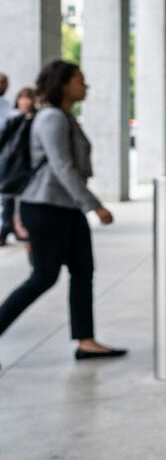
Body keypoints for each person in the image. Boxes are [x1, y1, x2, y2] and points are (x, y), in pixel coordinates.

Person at [0, 62, 126, 360]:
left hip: (64, 208)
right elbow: (63, 168)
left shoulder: (64, 116)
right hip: (46, 208)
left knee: (83, 271)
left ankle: (85, 340)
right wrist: (95, 205)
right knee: (43, 277)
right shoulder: (52, 118)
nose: (86, 86)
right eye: (80, 81)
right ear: (64, 84)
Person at [0, 88, 37, 245]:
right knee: (8, 199)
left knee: (21, 201)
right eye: (23, 98)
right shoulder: (13, 119)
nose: (26, 102)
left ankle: (17, 228)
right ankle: (6, 229)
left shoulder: (36, 120)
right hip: (10, 165)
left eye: (29, 98)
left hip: (27, 166)